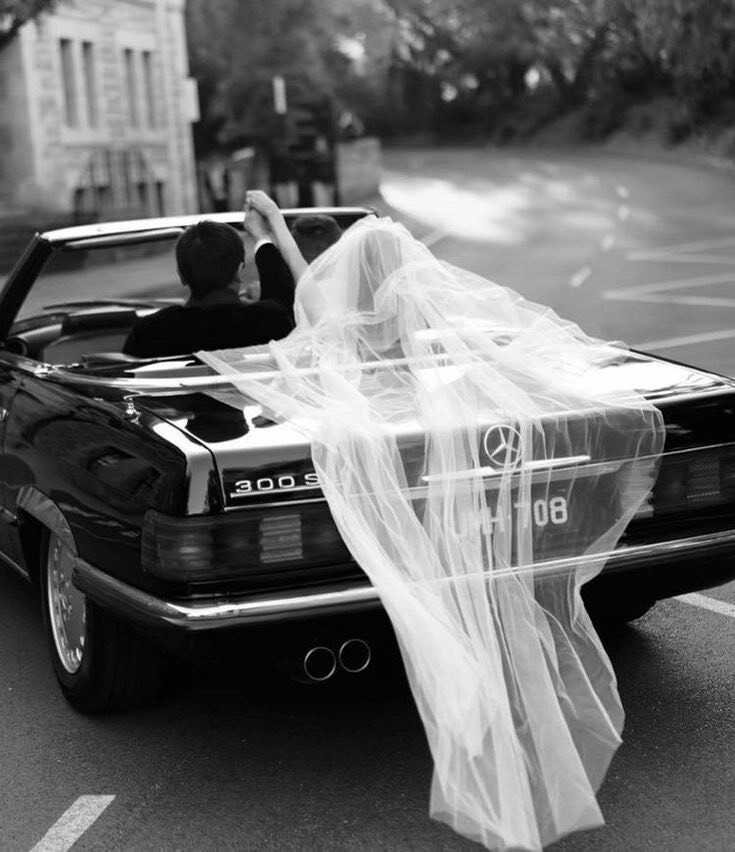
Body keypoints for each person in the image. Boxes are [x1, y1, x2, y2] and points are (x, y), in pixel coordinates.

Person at [198, 213, 665, 851]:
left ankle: (478, 729)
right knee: (495, 610)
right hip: (448, 473)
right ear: (406, 271)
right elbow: (494, 358)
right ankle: (518, 735)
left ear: (349, 274)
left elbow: (303, 283)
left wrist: (271, 227)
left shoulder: (330, 318)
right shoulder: (426, 316)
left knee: (443, 617)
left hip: (391, 479)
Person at [123, 196, 303, 358]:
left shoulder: (150, 332)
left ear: (182, 276)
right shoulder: (269, 321)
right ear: (239, 270)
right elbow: (283, 295)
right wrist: (262, 237)